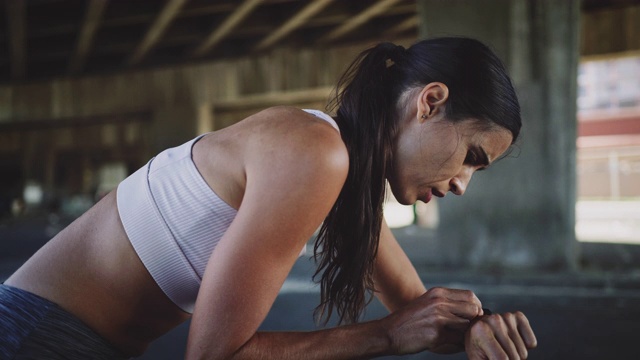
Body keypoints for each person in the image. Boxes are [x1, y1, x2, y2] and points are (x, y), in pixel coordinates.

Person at [0, 37, 537, 359]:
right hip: (35, 337)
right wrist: (390, 336)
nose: (464, 183)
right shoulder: (315, 152)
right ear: (430, 103)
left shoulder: (339, 172)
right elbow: (213, 355)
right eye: (472, 155)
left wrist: (481, 325)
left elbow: (423, 313)